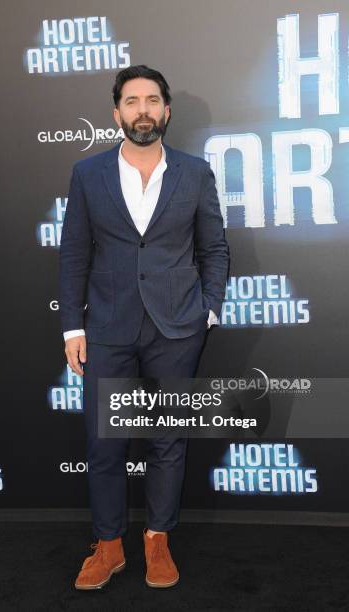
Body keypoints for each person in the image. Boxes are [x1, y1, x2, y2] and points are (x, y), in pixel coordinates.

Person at [59, 65, 229, 590]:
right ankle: (109, 545)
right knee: (105, 444)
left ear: (166, 110)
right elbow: (75, 254)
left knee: (166, 441)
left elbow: (214, 248)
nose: (143, 110)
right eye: (131, 101)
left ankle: (158, 539)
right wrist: (72, 329)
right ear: (116, 113)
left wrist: (208, 309)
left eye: (152, 100)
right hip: (107, 327)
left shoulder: (194, 173)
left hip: (177, 328)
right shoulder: (88, 174)